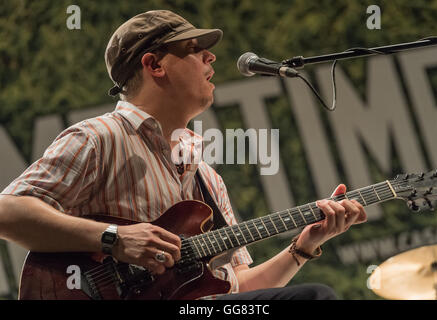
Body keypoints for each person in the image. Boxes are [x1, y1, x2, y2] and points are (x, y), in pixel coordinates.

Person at [0, 10, 367, 300]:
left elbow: (238, 289)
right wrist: (114, 238)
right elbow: (8, 212)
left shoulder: (207, 177)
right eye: (193, 49)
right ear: (154, 65)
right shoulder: (100, 137)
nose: (212, 56)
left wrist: (303, 247)